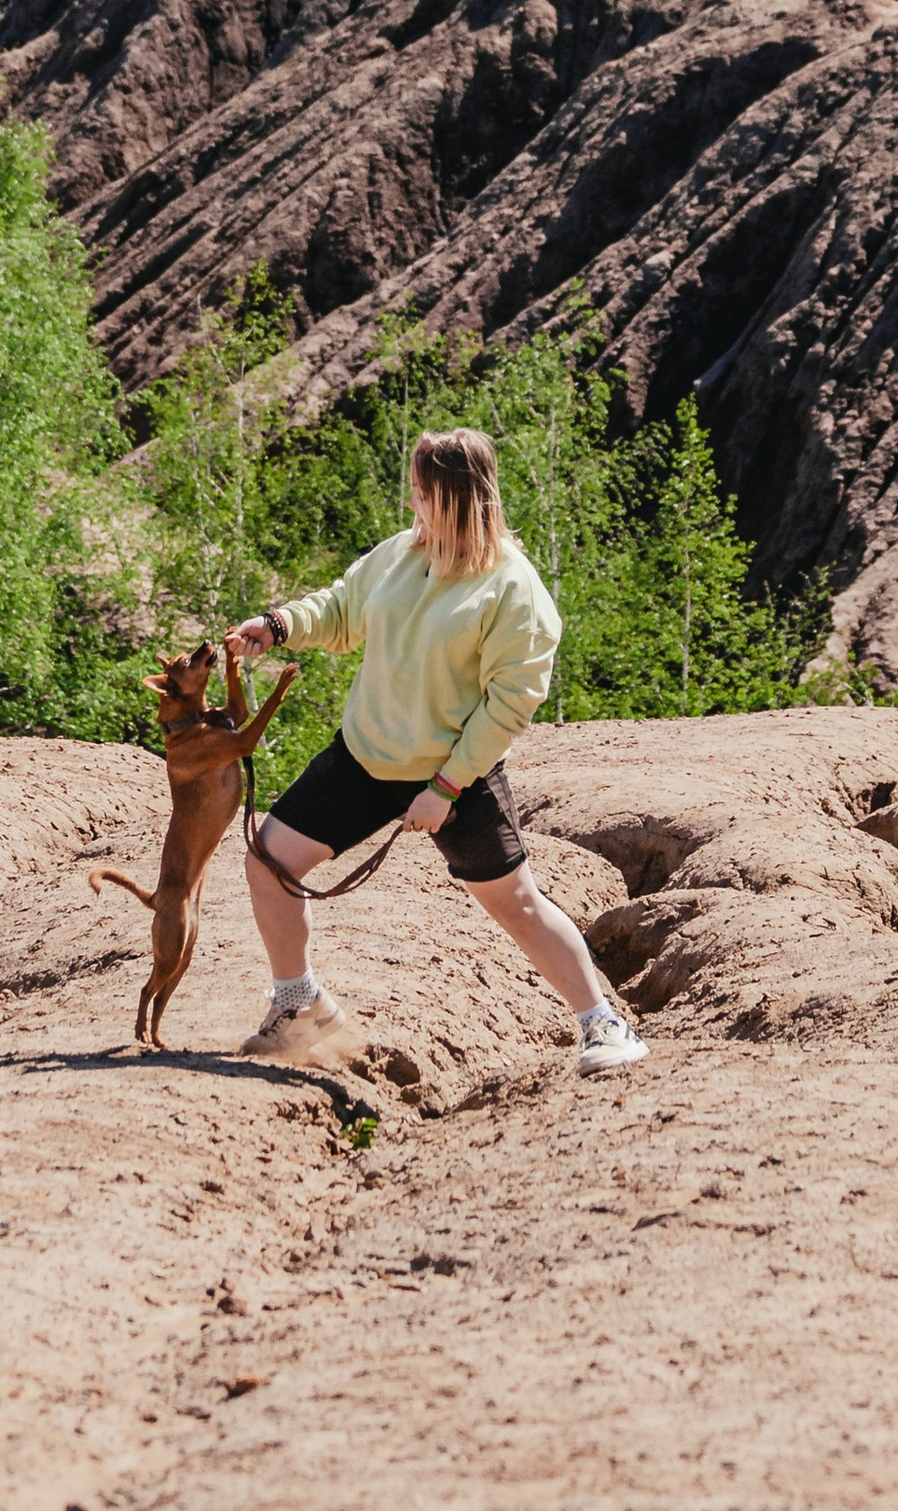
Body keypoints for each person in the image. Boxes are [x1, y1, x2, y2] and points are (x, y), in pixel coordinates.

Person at [221, 425, 647, 1079]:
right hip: (363, 757)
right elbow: (342, 609)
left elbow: (508, 705)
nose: (411, 505)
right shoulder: (402, 554)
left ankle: (604, 1025)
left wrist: (445, 788)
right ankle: (299, 1003)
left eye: (420, 494)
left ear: (452, 498)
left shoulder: (514, 590)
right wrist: (278, 625)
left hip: (457, 775)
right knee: (269, 861)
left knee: (518, 905)